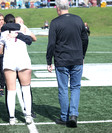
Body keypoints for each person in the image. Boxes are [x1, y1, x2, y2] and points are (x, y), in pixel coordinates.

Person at [46, 0, 88, 128]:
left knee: (63, 89)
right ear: (68, 7)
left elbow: (51, 44)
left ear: (58, 8)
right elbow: (85, 39)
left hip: (62, 59)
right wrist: (82, 55)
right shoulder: (78, 19)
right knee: (75, 87)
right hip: (76, 58)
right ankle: (73, 115)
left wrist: (49, 61)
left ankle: (64, 117)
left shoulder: (55, 22)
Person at [0, 14, 33, 125]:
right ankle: (28, 116)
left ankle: (12, 118)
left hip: (9, 61)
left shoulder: (4, 32)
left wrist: (2, 45)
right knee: (26, 89)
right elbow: (31, 40)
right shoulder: (22, 28)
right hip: (23, 61)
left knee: (11, 91)